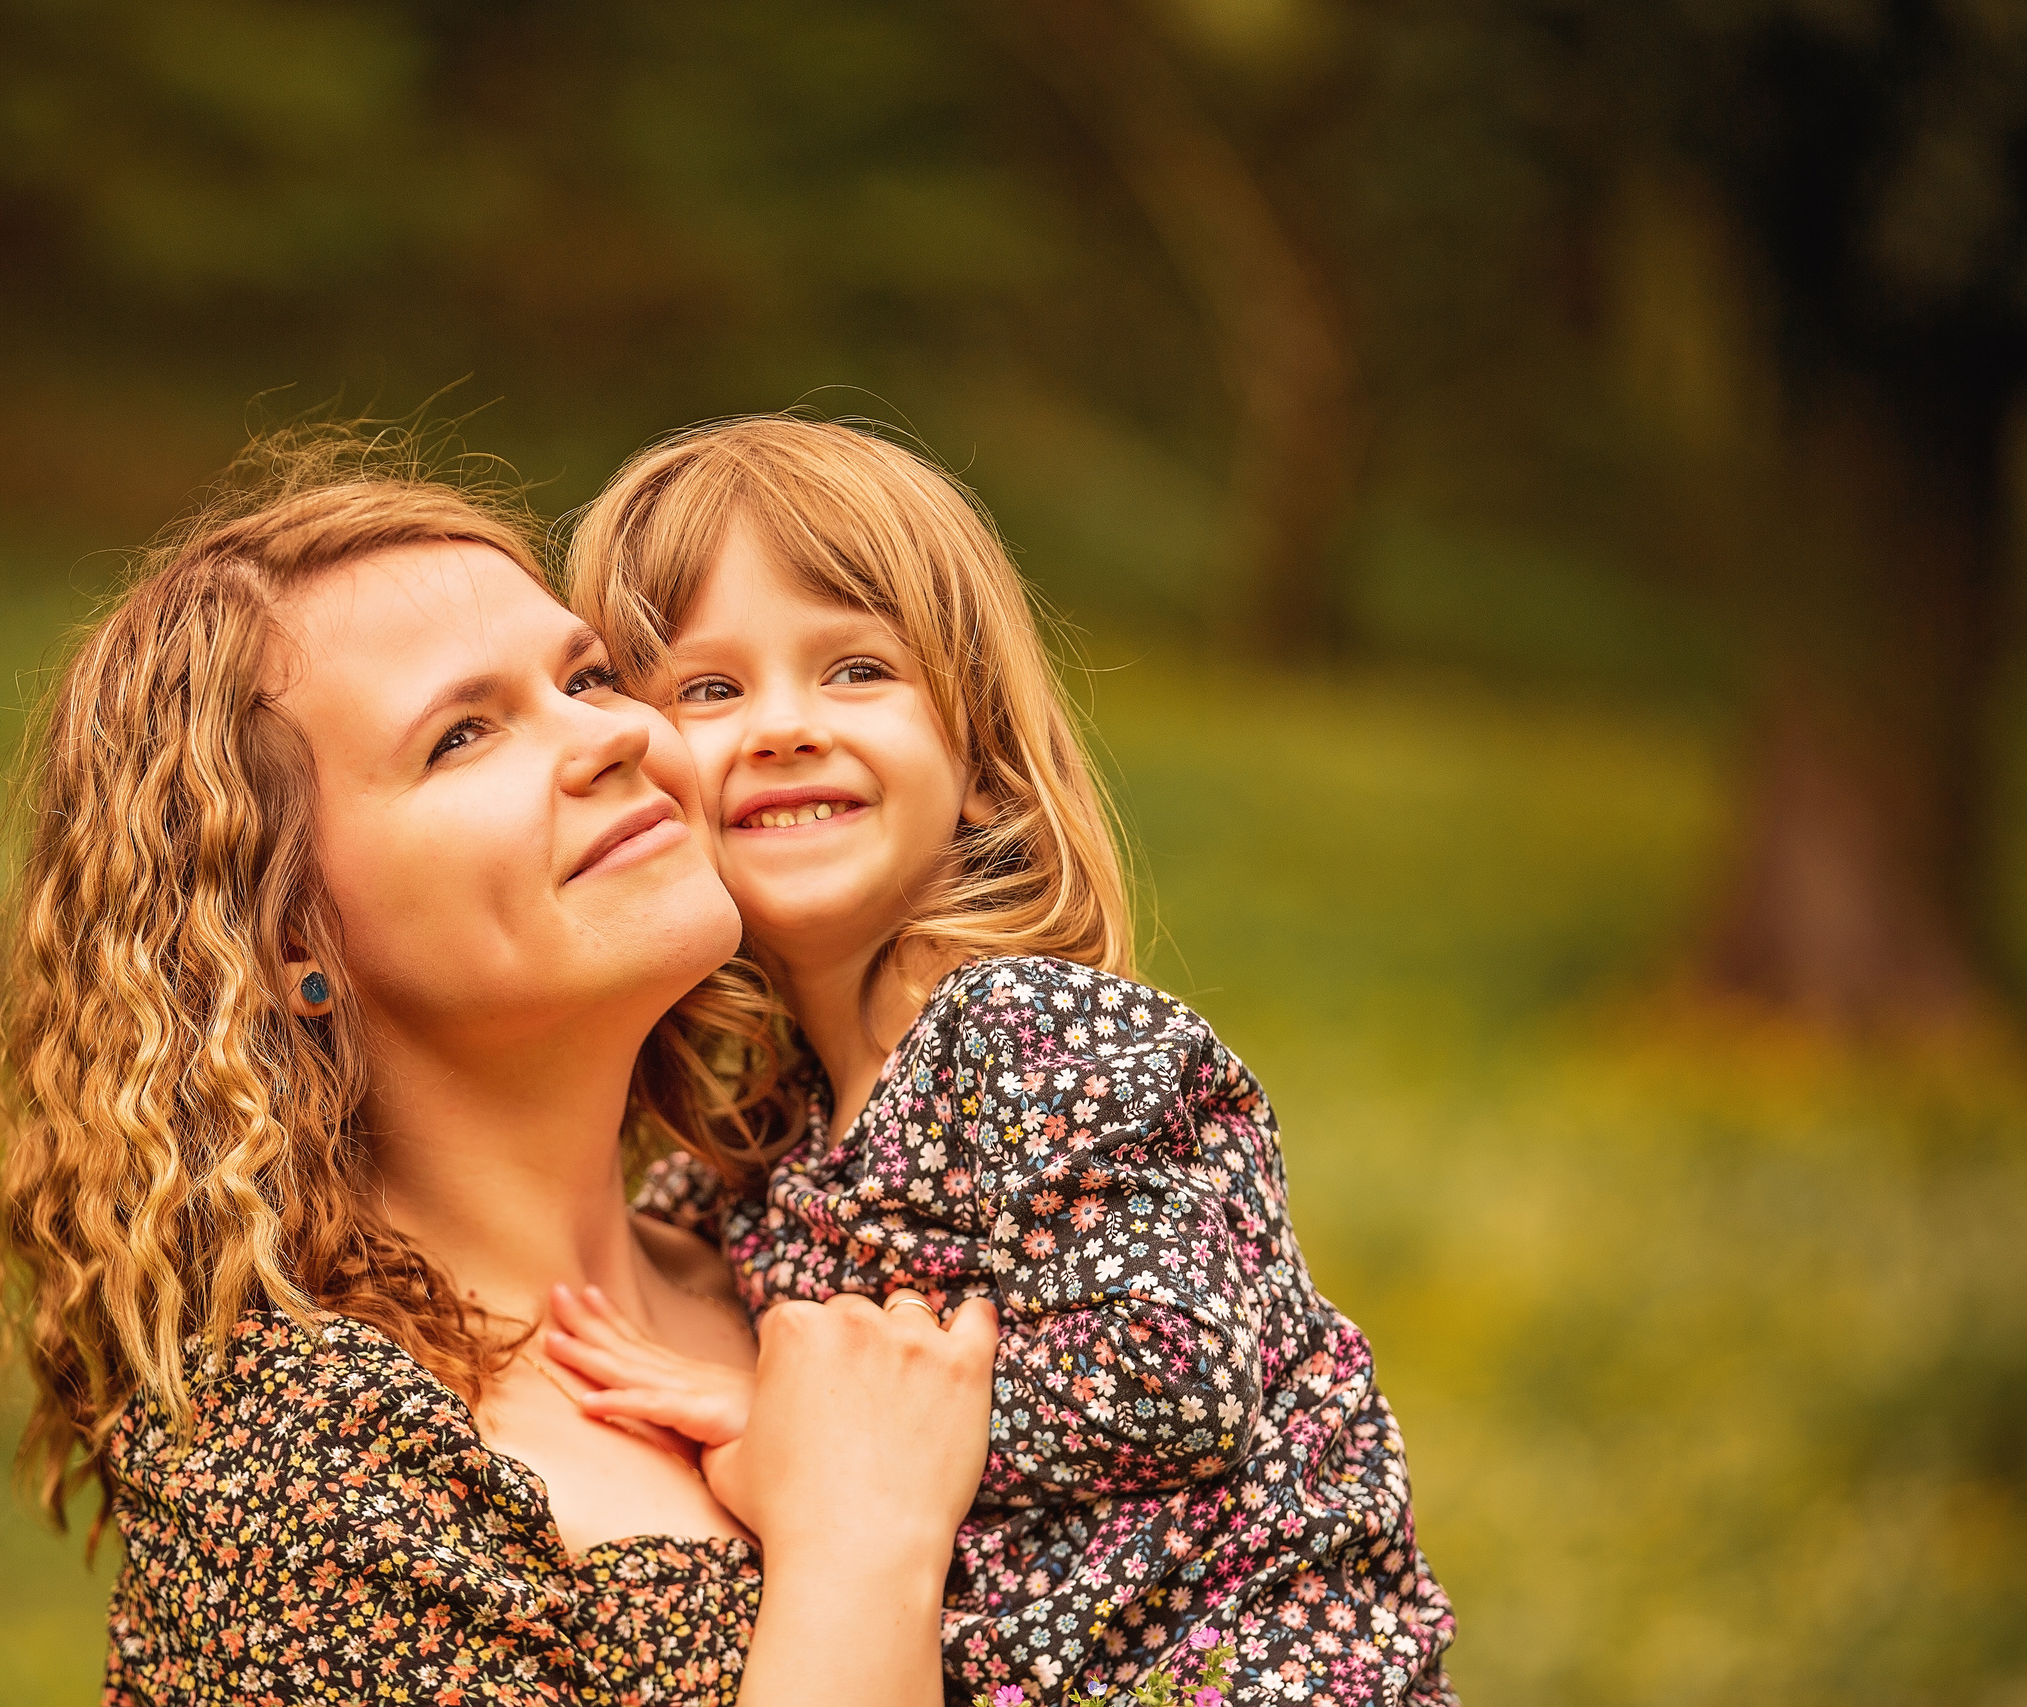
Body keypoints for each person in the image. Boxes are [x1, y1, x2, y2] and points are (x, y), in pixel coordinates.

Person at [0, 426, 1000, 1706]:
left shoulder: (791, 1236)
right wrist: (863, 1545)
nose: (611, 740)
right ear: (295, 936)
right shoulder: (311, 1471)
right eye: (462, 736)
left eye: (586, 679)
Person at [554, 416, 1458, 1705]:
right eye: (708, 690)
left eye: (855, 670)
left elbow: (1170, 1376)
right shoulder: (768, 1131)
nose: (781, 727)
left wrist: (795, 1429)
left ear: (978, 764)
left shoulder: (1034, 1034)